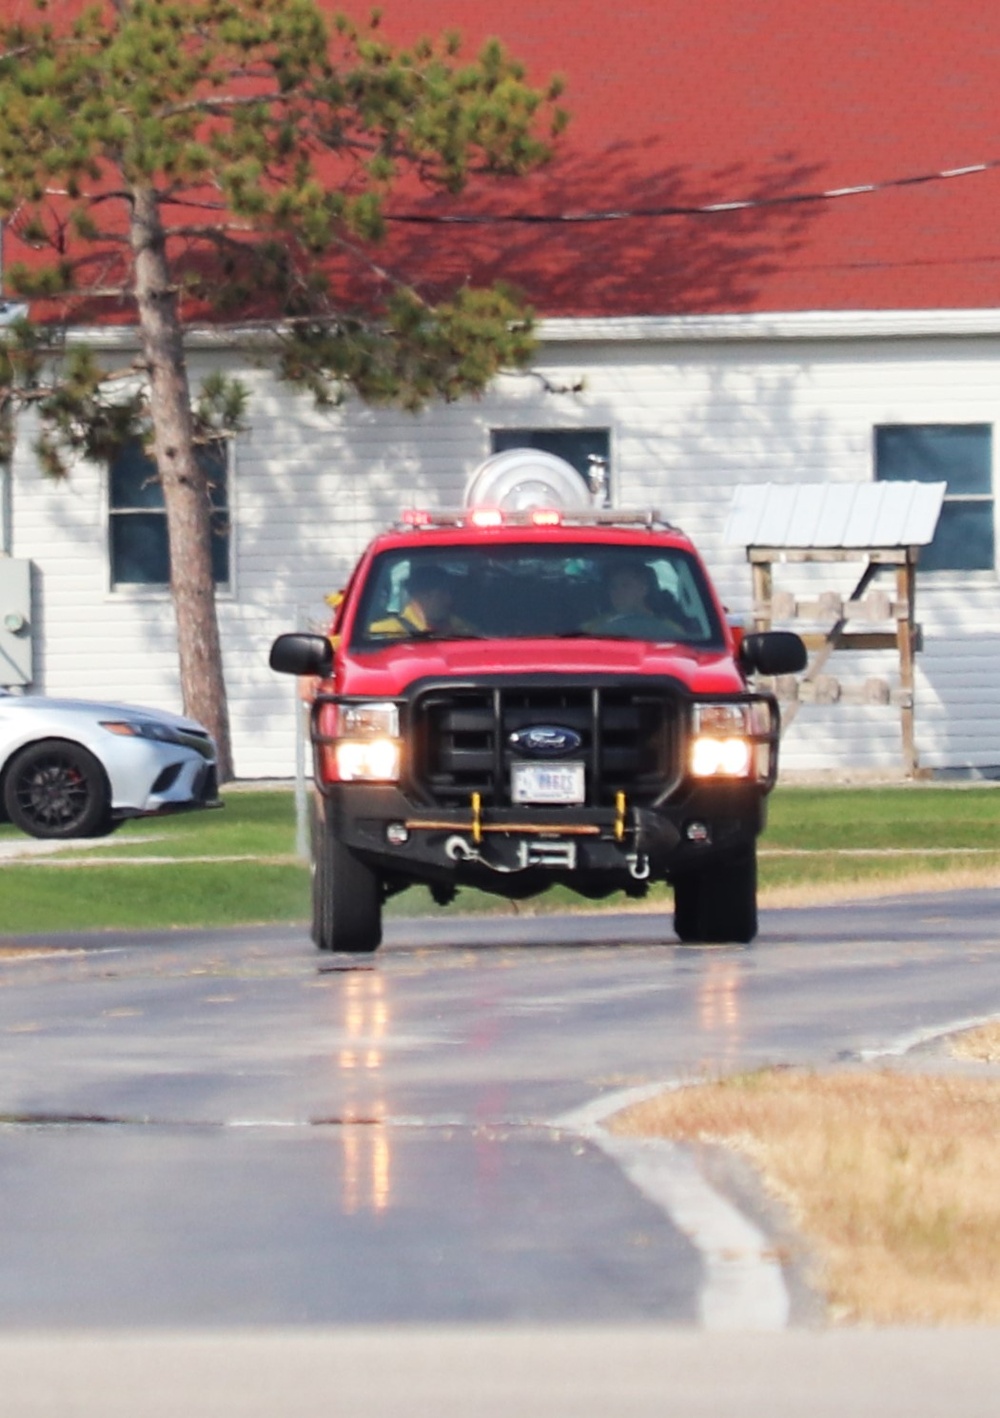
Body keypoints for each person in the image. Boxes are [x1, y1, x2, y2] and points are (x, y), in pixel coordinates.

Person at [584, 561, 688, 639]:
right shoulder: (591, 630)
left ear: (644, 588)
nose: (617, 592)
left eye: (625, 585)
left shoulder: (671, 631)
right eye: (613, 587)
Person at [368, 565, 474, 638]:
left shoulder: (462, 628)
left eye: (450, 594)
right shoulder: (383, 632)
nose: (449, 600)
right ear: (422, 595)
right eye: (442, 594)